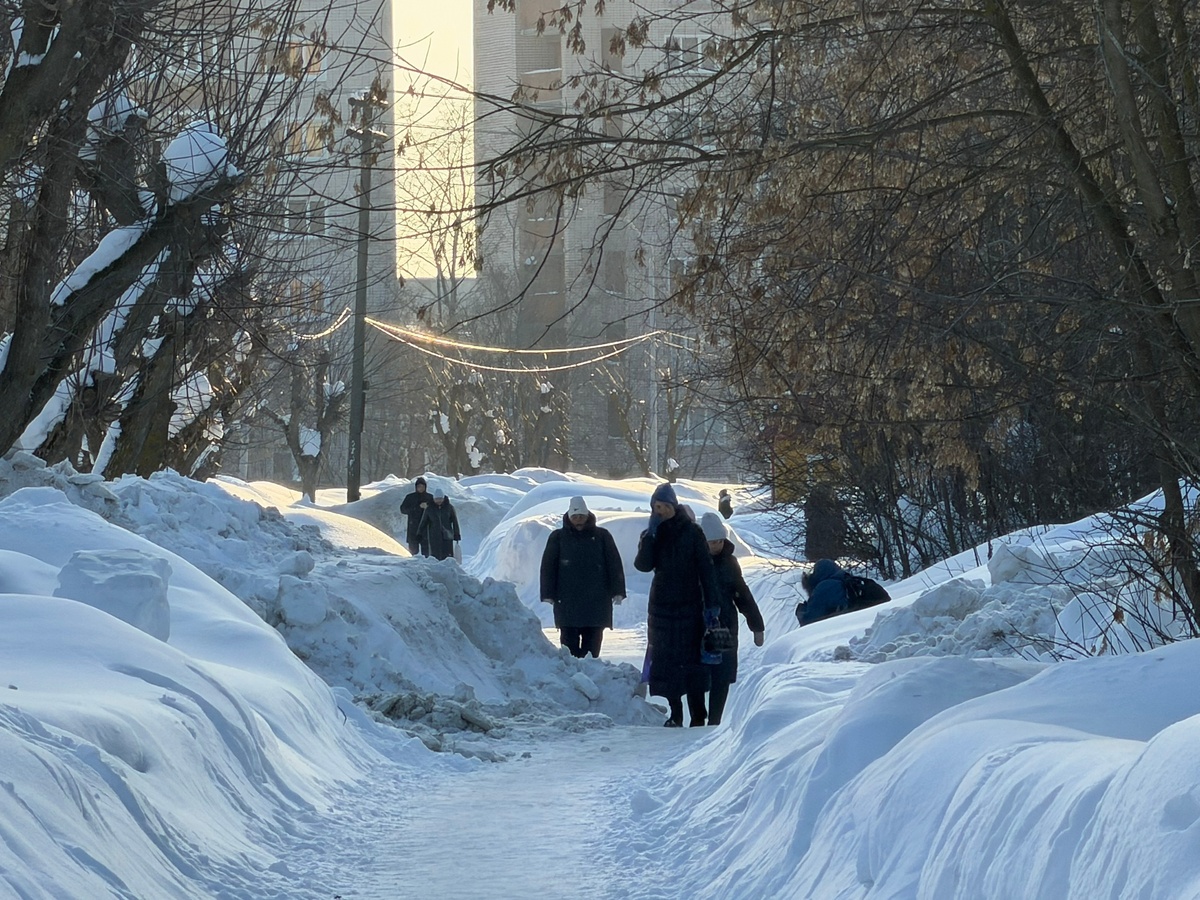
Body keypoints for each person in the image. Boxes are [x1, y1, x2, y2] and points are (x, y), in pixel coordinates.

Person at [634, 482, 722, 727]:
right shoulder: (653, 533)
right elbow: (642, 565)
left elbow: (706, 570)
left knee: (692, 662)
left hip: (690, 605)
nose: (659, 510)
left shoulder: (692, 532)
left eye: (663, 506)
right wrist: (649, 537)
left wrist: (712, 605)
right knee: (667, 662)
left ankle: (698, 715)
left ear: (673, 506)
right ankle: (675, 714)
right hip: (661, 608)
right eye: (656, 507)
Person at [539, 496, 626, 658]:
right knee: (569, 650)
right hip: (567, 601)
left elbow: (614, 564)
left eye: (581, 516)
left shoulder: (602, 536)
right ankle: (572, 678)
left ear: (587, 516)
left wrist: (618, 590)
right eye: (575, 517)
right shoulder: (557, 538)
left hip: (596, 601)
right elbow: (548, 568)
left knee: (592, 649)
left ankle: (591, 676)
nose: (578, 520)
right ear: (569, 517)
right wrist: (548, 593)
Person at [699, 512, 764, 726]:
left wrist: (756, 625)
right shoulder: (693, 562)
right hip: (698, 626)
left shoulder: (730, 562)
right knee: (699, 675)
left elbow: (742, 593)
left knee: (722, 675)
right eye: (711, 542)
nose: (716, 546)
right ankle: (698, 719)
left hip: (726, 625)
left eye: (719, 541)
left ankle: (715, 720)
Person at [797, 558, 850, 625]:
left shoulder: (825, 587)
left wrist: (801, 610)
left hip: (836, 629)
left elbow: (809, 620)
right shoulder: (845, 580)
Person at [417, 487, 460, 561]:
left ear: (443, 498)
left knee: (448, 556)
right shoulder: (429, 509)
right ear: (434, 499)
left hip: (447, 536)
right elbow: (423, 522)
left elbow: (455, 522)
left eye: (440, 498)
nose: (439, 501)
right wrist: (419, 534)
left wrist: (456, 534)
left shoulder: (449, 508)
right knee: (435, 556)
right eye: (437, 499)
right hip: (434, 537)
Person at [399, 476, 431, 556]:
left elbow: (435, 511)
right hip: (413, 528)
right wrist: (417, 508)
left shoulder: (430, 497)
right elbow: (403, 510)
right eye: (419, 486)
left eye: (422, 486)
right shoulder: (410, 497)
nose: (421, 488)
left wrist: (428, 508)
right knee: (413, 553)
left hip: (426, 528)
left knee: (427, 553)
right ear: (416, 487)